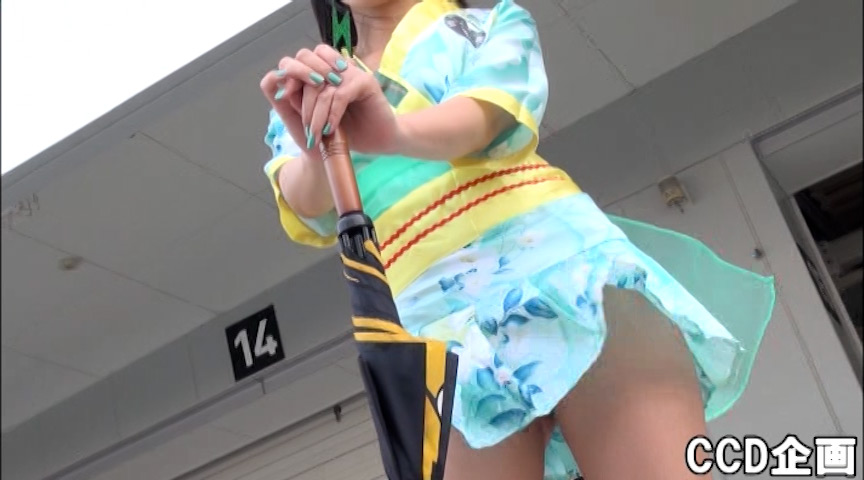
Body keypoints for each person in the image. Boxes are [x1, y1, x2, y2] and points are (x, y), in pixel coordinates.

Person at [258, 1, 776, 478]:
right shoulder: (315, 83)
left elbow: (485, 116)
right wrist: (320, 141)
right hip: (431, 328)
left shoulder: (486, 25)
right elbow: (305, 202)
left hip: (560, 267)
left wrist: (391, 131)